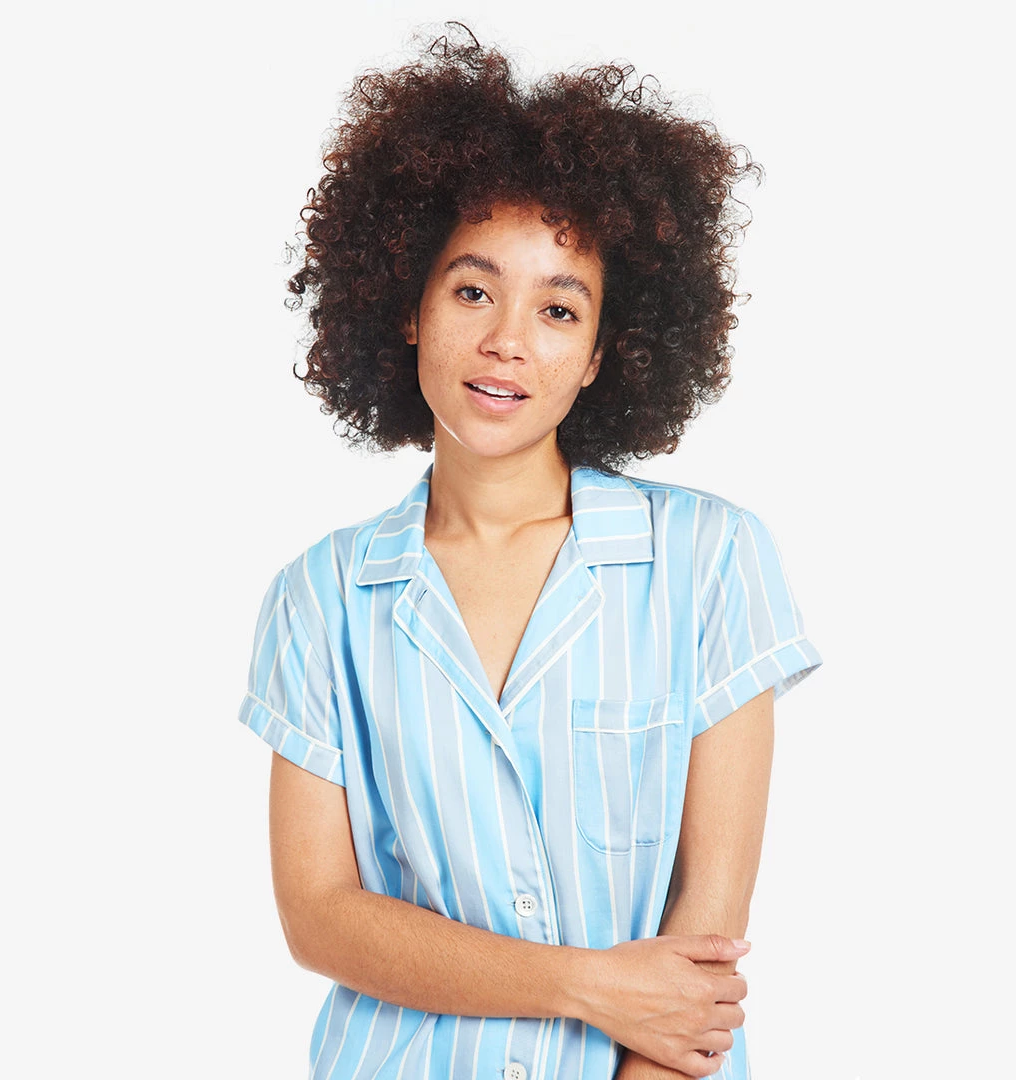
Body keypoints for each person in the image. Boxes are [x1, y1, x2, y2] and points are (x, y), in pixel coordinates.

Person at [237, 22, 823, 1080]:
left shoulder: (711, 562)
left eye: (559, 308)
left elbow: (706, 936)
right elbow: (319, 916)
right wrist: (585, 985)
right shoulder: (319, 598)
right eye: (473, 290)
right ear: (409, 308)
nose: (508, 338)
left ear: (601, 354)